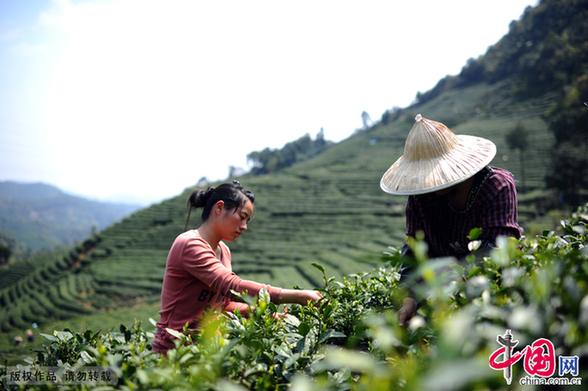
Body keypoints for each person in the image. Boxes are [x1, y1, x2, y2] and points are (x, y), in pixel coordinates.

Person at [380, 114, 523, 325]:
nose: (431, 181)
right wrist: (410, 297)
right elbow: (415, 250)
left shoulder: (496, 187)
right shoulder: (421, 196)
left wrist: (452, 283)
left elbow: (497, 252)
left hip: (496, 294)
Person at [152, 181, 322, 355]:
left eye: (247, 220)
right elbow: (233, 286)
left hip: (207, 351)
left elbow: (224, 305)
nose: (244, 226)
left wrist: (267, 316)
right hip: (174, 352)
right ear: (219, 208)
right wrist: (299, 296)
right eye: (242, 217)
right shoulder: (189, 244)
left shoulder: (224, 251)